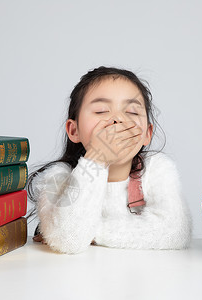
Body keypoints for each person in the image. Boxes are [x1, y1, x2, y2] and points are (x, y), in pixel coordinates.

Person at [26, 66, 192, 254]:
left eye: (132, 112)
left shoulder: (157, 169)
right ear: (74, 130)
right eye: (101, 111)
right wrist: (96, 159)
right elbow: (68, 239)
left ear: (147, 134)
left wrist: (93, 232)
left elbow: (175, 231)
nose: (118, 120)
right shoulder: (57, 177)